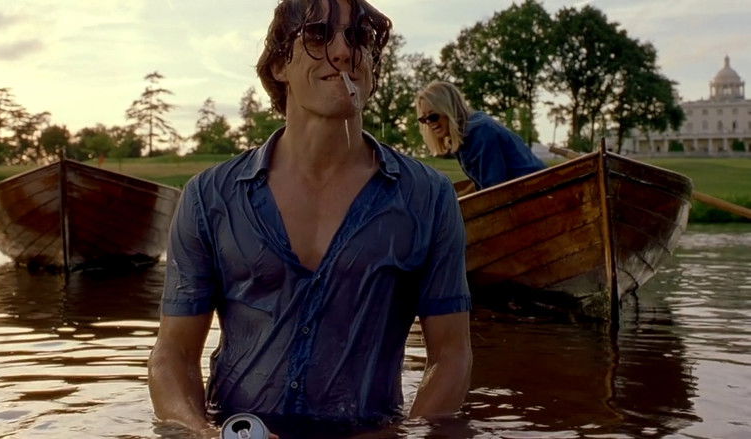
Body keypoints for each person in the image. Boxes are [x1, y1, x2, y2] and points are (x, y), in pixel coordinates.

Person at [147, 1, 473, 438]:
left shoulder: (429, 198)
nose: (342, 52)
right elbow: (172, 355)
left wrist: (402, 435)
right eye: (318, 36)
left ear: (372, 66)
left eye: (358, 38)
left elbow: (451, 356)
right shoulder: (209, 198)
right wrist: (200, 432)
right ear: (279, 64)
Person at [415, 81, 546, 193]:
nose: (429, 123)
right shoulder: (469, 131)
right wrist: (460, 197)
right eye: (424, 119)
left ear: (449, 110)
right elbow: (483, 179)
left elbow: (494, 188)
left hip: (536, 191)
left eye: (433, 116)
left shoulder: (479, 133)